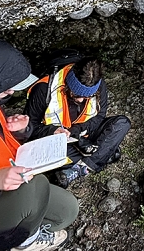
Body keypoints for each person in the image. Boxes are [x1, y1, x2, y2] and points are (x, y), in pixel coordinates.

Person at [0, 38, 79, 251]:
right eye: (6, 88)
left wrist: (24, 131)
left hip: (6, 187)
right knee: (35, 188)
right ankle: (15, 245)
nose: (12, 92)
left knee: (67, 210)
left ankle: (18, 231)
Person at [25, 57, 130, 188]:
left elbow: (100, 116)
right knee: (45, 155)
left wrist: (77, 131)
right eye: (76, 95)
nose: (80, 100)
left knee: (122, 123)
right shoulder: (43, 89)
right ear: (68, 83)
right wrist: (52, 130)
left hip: (84, 133)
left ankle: (81, 167)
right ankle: (102, 154)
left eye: (87, 97)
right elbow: (29, 127)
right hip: (56, 141)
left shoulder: (98, 85)